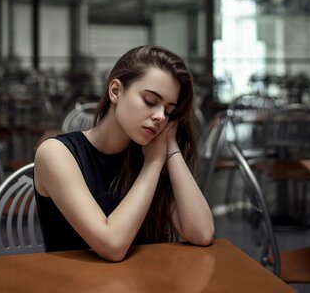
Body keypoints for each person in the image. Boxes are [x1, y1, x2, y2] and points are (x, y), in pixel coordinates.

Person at [34, 45, 215, 261]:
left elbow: (202, 233)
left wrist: (170, 145)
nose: (160, 116)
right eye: (150, 101)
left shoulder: (144, 152)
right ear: (116, 91)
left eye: (168, 110)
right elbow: (112, 246)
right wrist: (153, 163)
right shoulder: (56, 154)